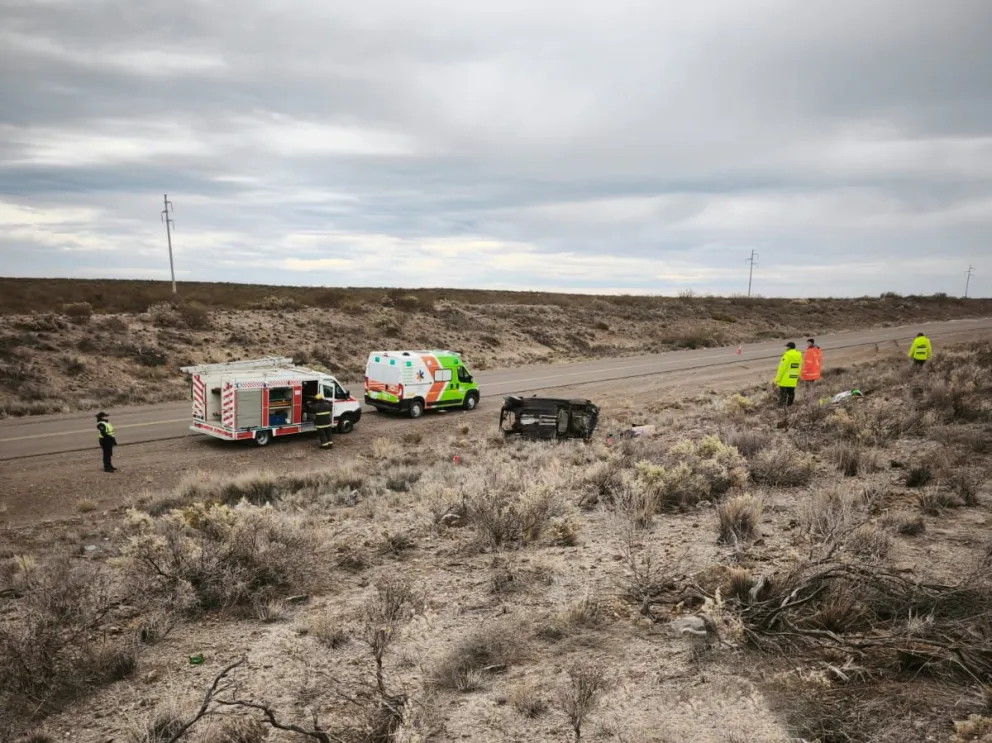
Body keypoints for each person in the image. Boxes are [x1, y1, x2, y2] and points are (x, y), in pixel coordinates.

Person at [774, 342, 803, 407]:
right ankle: (790, 406)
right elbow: (799, 367)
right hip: (793, 378)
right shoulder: (799, 356)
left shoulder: (787, 355)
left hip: (785, 379)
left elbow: (782, 368)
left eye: (787, 346)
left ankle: (781, 408)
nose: (786, 348)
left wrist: (777, 379)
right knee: (791, 394)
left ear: (789, 347)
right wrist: (797, 376)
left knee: (783, 395)